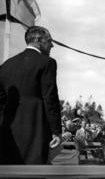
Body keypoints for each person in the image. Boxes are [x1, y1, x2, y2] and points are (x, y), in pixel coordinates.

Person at [0, 26, 62, 164]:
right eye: (49, 40)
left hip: (7, 131)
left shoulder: (5, 66)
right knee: (34, 171)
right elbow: (50, 97)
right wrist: (56, 130)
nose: (52, 45)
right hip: (36, 128)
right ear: (39, 40)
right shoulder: (47, 63)